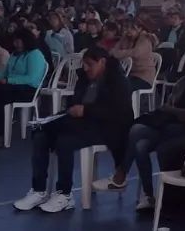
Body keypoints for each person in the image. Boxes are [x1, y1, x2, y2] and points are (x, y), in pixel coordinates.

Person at [13, 47, 133, 213]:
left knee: (65, 142)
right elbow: (75, 100)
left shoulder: (119, 82)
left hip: (107, 128)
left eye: (89, 65)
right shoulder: (84, 78)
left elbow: (118, 112)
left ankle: (65, 194)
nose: (85, 68)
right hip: (80, 123)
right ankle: (38, 190)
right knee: (41, 134)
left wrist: (87, 110)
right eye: (84, 64)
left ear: (102, 62)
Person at [92, 50, 185, 208]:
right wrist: (169, 110)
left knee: (136, 130)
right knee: (140, 146)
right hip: (168, 124)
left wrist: (169, 110)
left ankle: (120, 175)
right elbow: (171, 105)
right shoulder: (183, 81)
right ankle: (148, 195)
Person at [0, 28, 48, 145]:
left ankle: (1, 133)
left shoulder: (35, 55)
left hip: (28, 89)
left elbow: (31, 78)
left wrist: (9, 80)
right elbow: (5, 73)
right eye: (15, 41)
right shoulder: (14, 54)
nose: (15, 44)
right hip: (12, 85)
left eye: (18, 41)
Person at [110, 17, 159, 91]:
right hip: (129, 74)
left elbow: (135, 52)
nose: (128, 30)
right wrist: (116, 52)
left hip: (144, 77)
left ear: (139, 28)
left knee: (122, 86)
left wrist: (117, 53)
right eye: (127, 27)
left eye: (132, 28)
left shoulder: (145, 38)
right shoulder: (126, 37)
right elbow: (113, 49)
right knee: (111, 83)